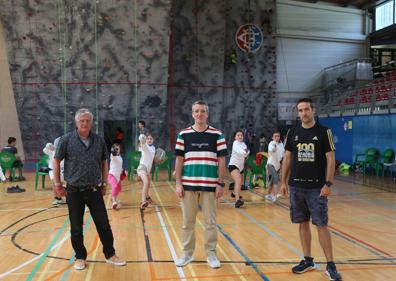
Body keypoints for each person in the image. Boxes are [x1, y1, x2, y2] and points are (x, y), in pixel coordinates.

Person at [53, 108, 126, 270]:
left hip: (94, 190)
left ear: (91, 123)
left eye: (87, 121)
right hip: (73, 191)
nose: (85, 123)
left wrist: (105, 183)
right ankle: (80, 257)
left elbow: (104, 161)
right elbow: (56, 160)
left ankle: (110, 254)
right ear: (76, 123)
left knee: (104, 224)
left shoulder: (99, 140)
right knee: (76, 227)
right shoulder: (66, 140)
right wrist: (58, 184)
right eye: (82, 121)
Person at [280, 98, 342, 281]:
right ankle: (308, 260)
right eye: (300, 110)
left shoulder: (324, 132)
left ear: (313, 110)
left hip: (317, 188)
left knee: (321, 225)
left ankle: (331, 265)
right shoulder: (293, 132)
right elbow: (288, 158)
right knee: (302, 223)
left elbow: (331, 159)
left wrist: (328, 183)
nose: (303, 113)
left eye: (306, 109)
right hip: (296, 186)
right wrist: (283, 182)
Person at [174, 100, 227, 269]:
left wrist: (220, 184)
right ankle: (187, 254)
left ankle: (211, 255)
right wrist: (178, 183)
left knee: (210, 223)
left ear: (207, 114)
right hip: (188, 185)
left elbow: (221, 161)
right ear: (192, 113)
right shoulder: (183, 135)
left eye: (202, 111)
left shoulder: (217, 135)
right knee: (187, 223)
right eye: (196, 111)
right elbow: (179, 159)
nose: (199, 114)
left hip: (210, 186)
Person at [228, 129, 249, 208]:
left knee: (240, 183)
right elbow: (242, 152)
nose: (240, 136)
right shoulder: (235, 143)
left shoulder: (244, 144)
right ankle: (237, 201)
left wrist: (246, 153)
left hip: (241, 167)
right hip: (233, 165)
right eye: (238, 135)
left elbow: (245, 155)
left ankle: (234, 193)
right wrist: (246, 152)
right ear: (235, 137)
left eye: (241, 135)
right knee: (238, 180)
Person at [43, 141, 66, 205]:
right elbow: (45, 150)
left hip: (63, 169)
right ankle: (58, 198)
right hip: (52, 169)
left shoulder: (65, 150)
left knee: (64, 184)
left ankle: (66, 198)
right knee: (55, 183)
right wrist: (48, 145)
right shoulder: (51, 151)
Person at [137, 133, 156, 209]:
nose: (149, 140)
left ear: (153, 140)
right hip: (142, 167)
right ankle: (143, 201)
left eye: (151, 139)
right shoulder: (145, 146)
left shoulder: (154, 148)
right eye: (148, 139)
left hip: (148, 169)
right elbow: (142, 143)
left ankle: (147, 197)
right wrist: (142, 139)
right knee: (146, 182)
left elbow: (151, 160)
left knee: (148, 184)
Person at [265, 131, 285, 203]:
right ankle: (275, 195)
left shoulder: (281, 144)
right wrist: (274, 149)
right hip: (270, 164)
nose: (277, 137)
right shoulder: (271, 143)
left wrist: (283, 163)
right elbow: (271, 150)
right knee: (276, 178)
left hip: (278, 165)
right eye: (275, 136)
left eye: (278, 136)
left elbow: (282, 155)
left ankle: (267, 195)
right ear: (272, 137)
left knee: (271, 182)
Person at [108, 143, 126, 210]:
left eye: (118, 149)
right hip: (111, 175)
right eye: (115, 148)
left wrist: (123, 171)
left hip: (117, 177)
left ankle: (113, 198)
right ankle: (114, 201)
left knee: (119, 189)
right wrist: (113, 151)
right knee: (115, 186)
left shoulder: (120, 157)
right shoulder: (113, 155)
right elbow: (113, 154)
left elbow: (118, 166)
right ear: (113, 149)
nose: (117, 150)